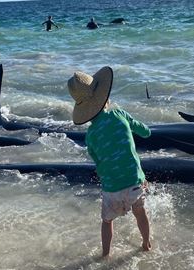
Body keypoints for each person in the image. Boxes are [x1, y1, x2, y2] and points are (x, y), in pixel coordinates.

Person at [67, 66, 152, 257]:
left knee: (107, 221)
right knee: (140, 212)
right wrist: (147, 132)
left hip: (111, 188)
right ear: (102, 95)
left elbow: (97, 161)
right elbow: (144, 130)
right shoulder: (119, 114)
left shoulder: (90, 135)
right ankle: (146, 244)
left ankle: (106, 253)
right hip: (134, 182)